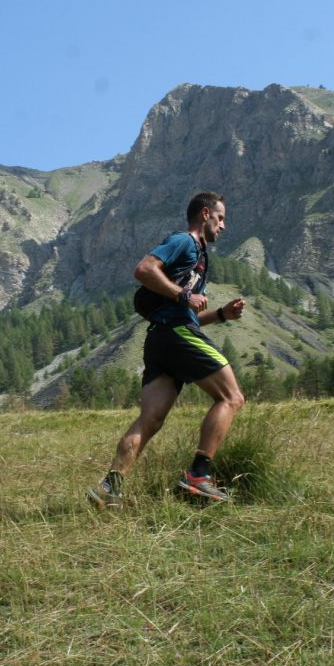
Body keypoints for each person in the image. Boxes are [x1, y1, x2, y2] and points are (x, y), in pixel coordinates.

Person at [87, 192, 246, 507]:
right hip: (175, 335)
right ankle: (199, 476)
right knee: (231, 398)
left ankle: (109, 488)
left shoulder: (199, 257)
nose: (224, 226)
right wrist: (183, 295)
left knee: (151, 420)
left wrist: (221, 315)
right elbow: (144, 270)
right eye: (221, 217)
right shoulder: (184, 242)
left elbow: (190, 315)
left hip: (161, 339)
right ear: (205, 214)